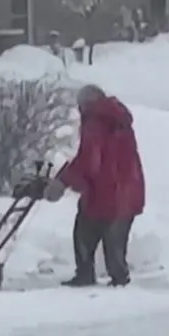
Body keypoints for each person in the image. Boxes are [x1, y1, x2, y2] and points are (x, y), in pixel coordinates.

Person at [46, 84, 146, 287]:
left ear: (86, 105)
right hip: (128, 189)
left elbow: (89, 160)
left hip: (107, 192)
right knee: (115, 240)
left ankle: (87, 274)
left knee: (84, 231)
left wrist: (63, 181)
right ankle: (118, 278)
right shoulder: (117, 119)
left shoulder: (96, 122)